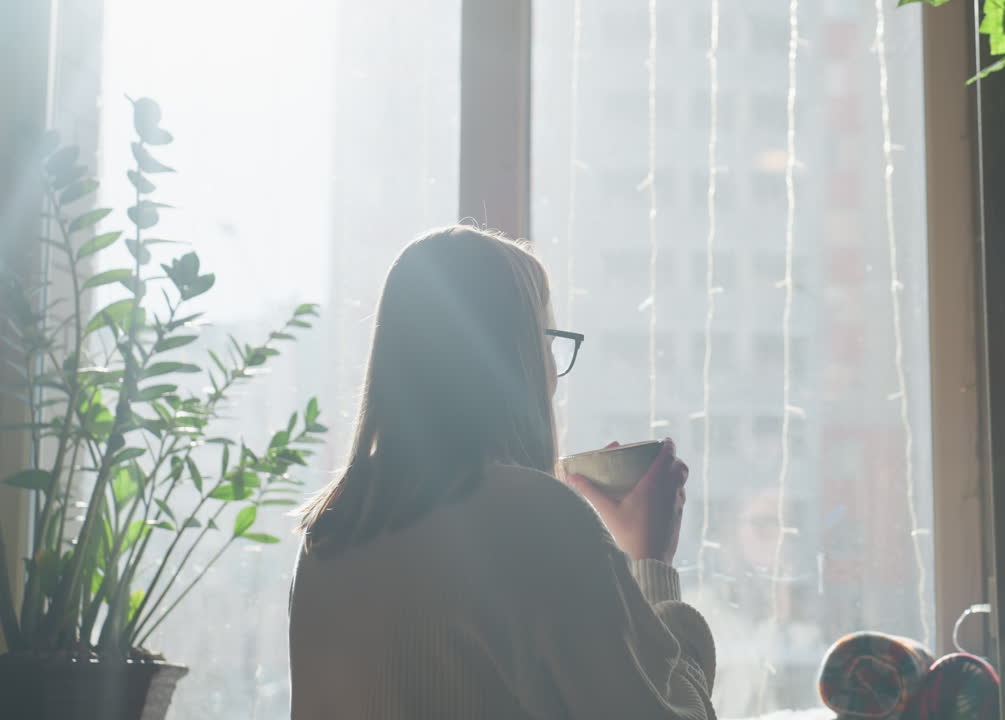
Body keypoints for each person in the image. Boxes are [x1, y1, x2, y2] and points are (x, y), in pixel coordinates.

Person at [289, 225, 716, 719]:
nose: (553, 376)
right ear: (515, 358)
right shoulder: (536, 516)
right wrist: (651, 563)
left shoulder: (331, 529)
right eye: (547, 340)